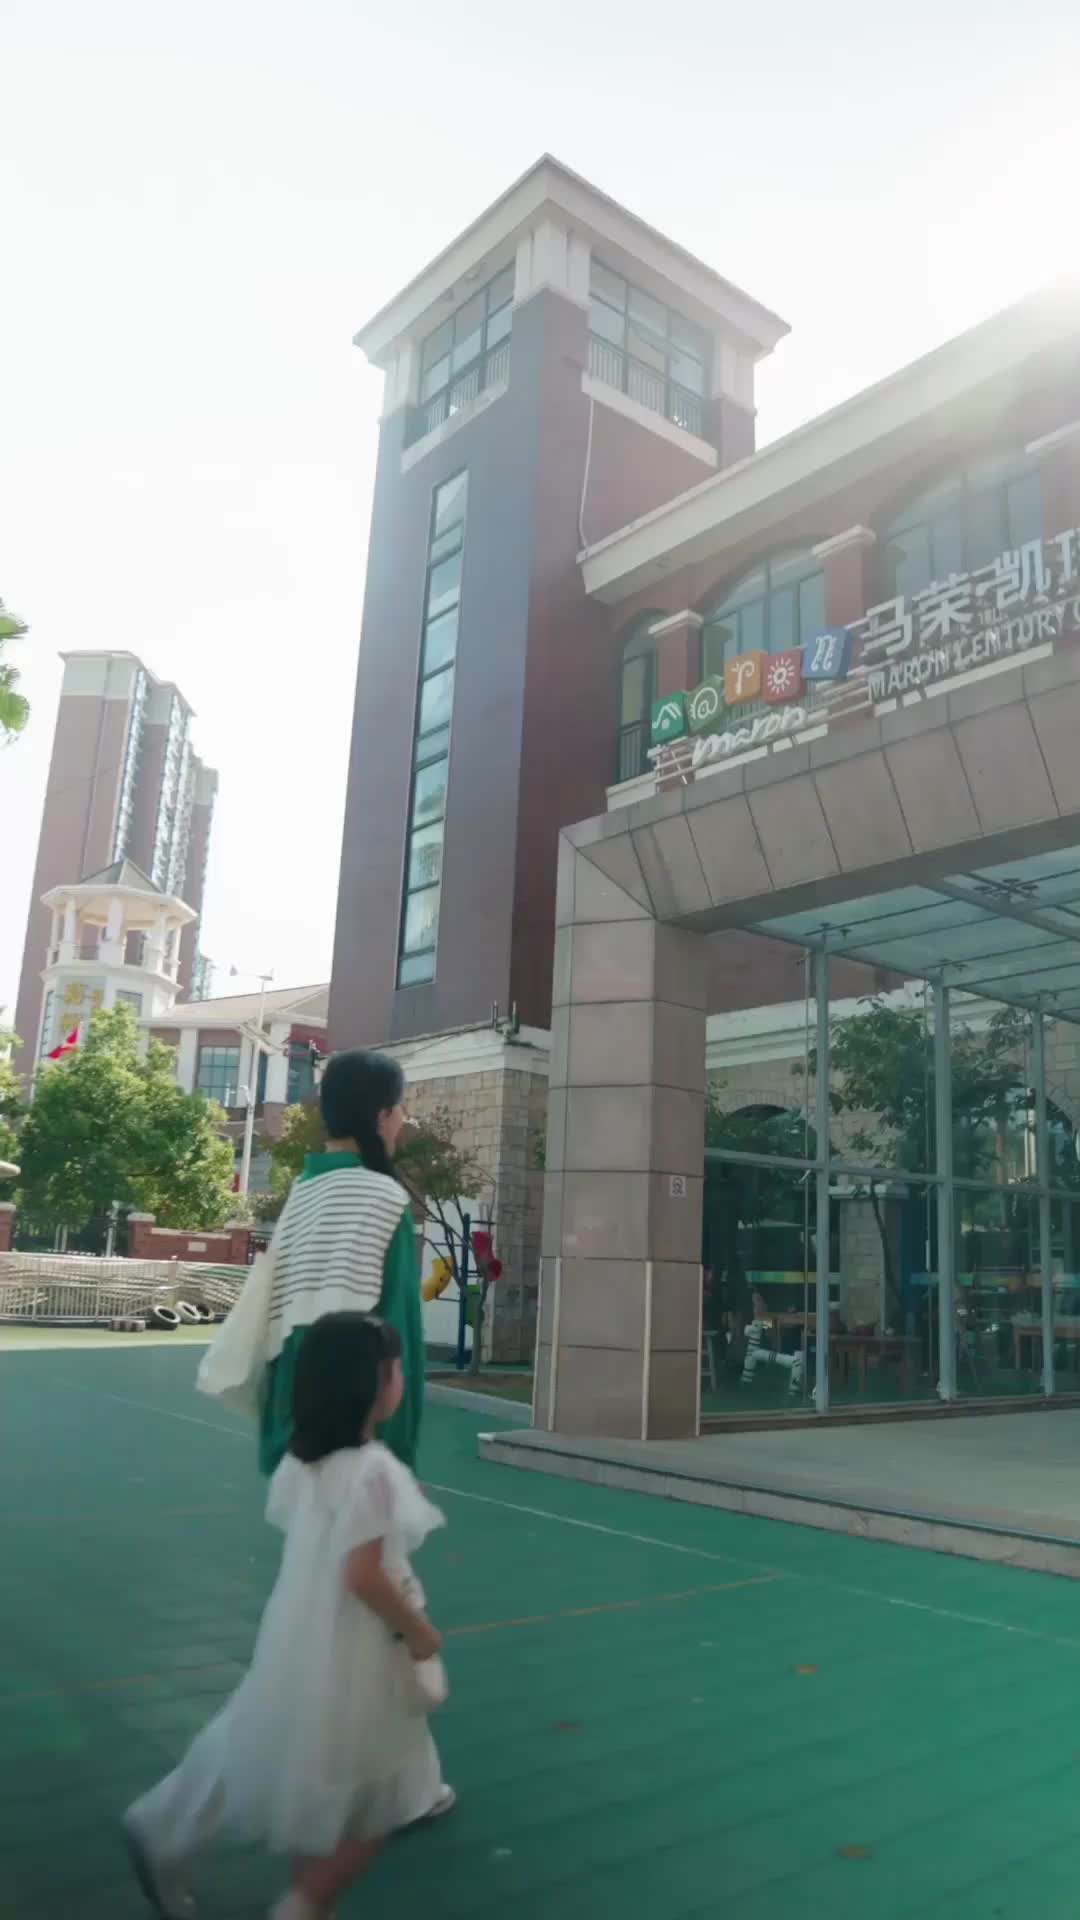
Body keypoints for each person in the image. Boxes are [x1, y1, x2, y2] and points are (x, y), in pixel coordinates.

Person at [125, 1315, 448, 1920]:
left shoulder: (304, 1460)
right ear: (376, 1382)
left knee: (268, 1737)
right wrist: (418, 1632)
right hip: (356, 1643)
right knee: (377, 1794)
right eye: (397, 1367)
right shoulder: (373, 1471)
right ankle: (305, 1903)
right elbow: (364, 1575)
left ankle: (165, 1827)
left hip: (299, 1629)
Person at [255, 1047, 425, 1476]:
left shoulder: (302, 1192)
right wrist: (399, 1453)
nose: (403, 1119)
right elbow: (398, 1331)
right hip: (364, 1438)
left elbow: (278, 1324)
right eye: (400, 1108)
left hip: (292, 1433)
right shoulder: (385, 1198)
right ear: (382, 1115)